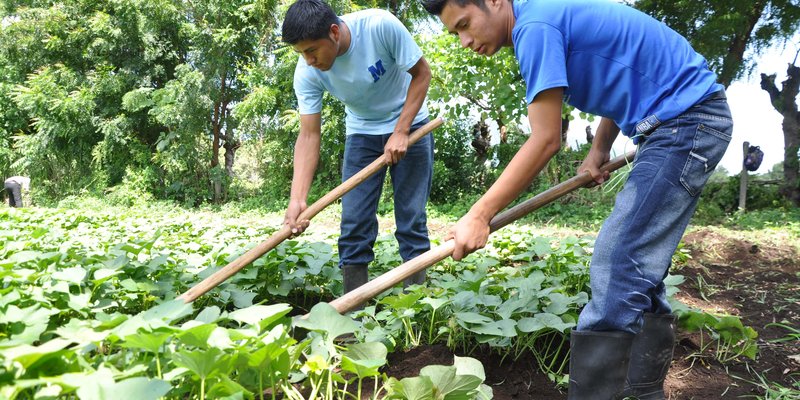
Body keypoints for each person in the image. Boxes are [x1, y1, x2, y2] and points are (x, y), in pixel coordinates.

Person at [421, 0, 732, 398]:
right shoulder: (544, 17)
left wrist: (479, 213)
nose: (464, 41)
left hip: (687, 121)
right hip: (678, 121)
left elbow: (546, 137)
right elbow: (625, 81)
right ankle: (644, 391)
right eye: (454, 33)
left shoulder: (536, 26)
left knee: (619, 259)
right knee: (639, 264)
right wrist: (599, 149)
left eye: (465, 24)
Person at [281, 0, 434, 299]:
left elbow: (422, 74)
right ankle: (353, 310)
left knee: (411, 217)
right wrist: (297, 199)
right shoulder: (307, 72)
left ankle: (416, 307)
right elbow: (309, 136)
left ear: (334, 32)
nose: (308, 60)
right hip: (362, 134)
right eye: (301, 53)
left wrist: (401, 131)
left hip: (412, 124)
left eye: (312, 50)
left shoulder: (379, 26)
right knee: (354, 221)